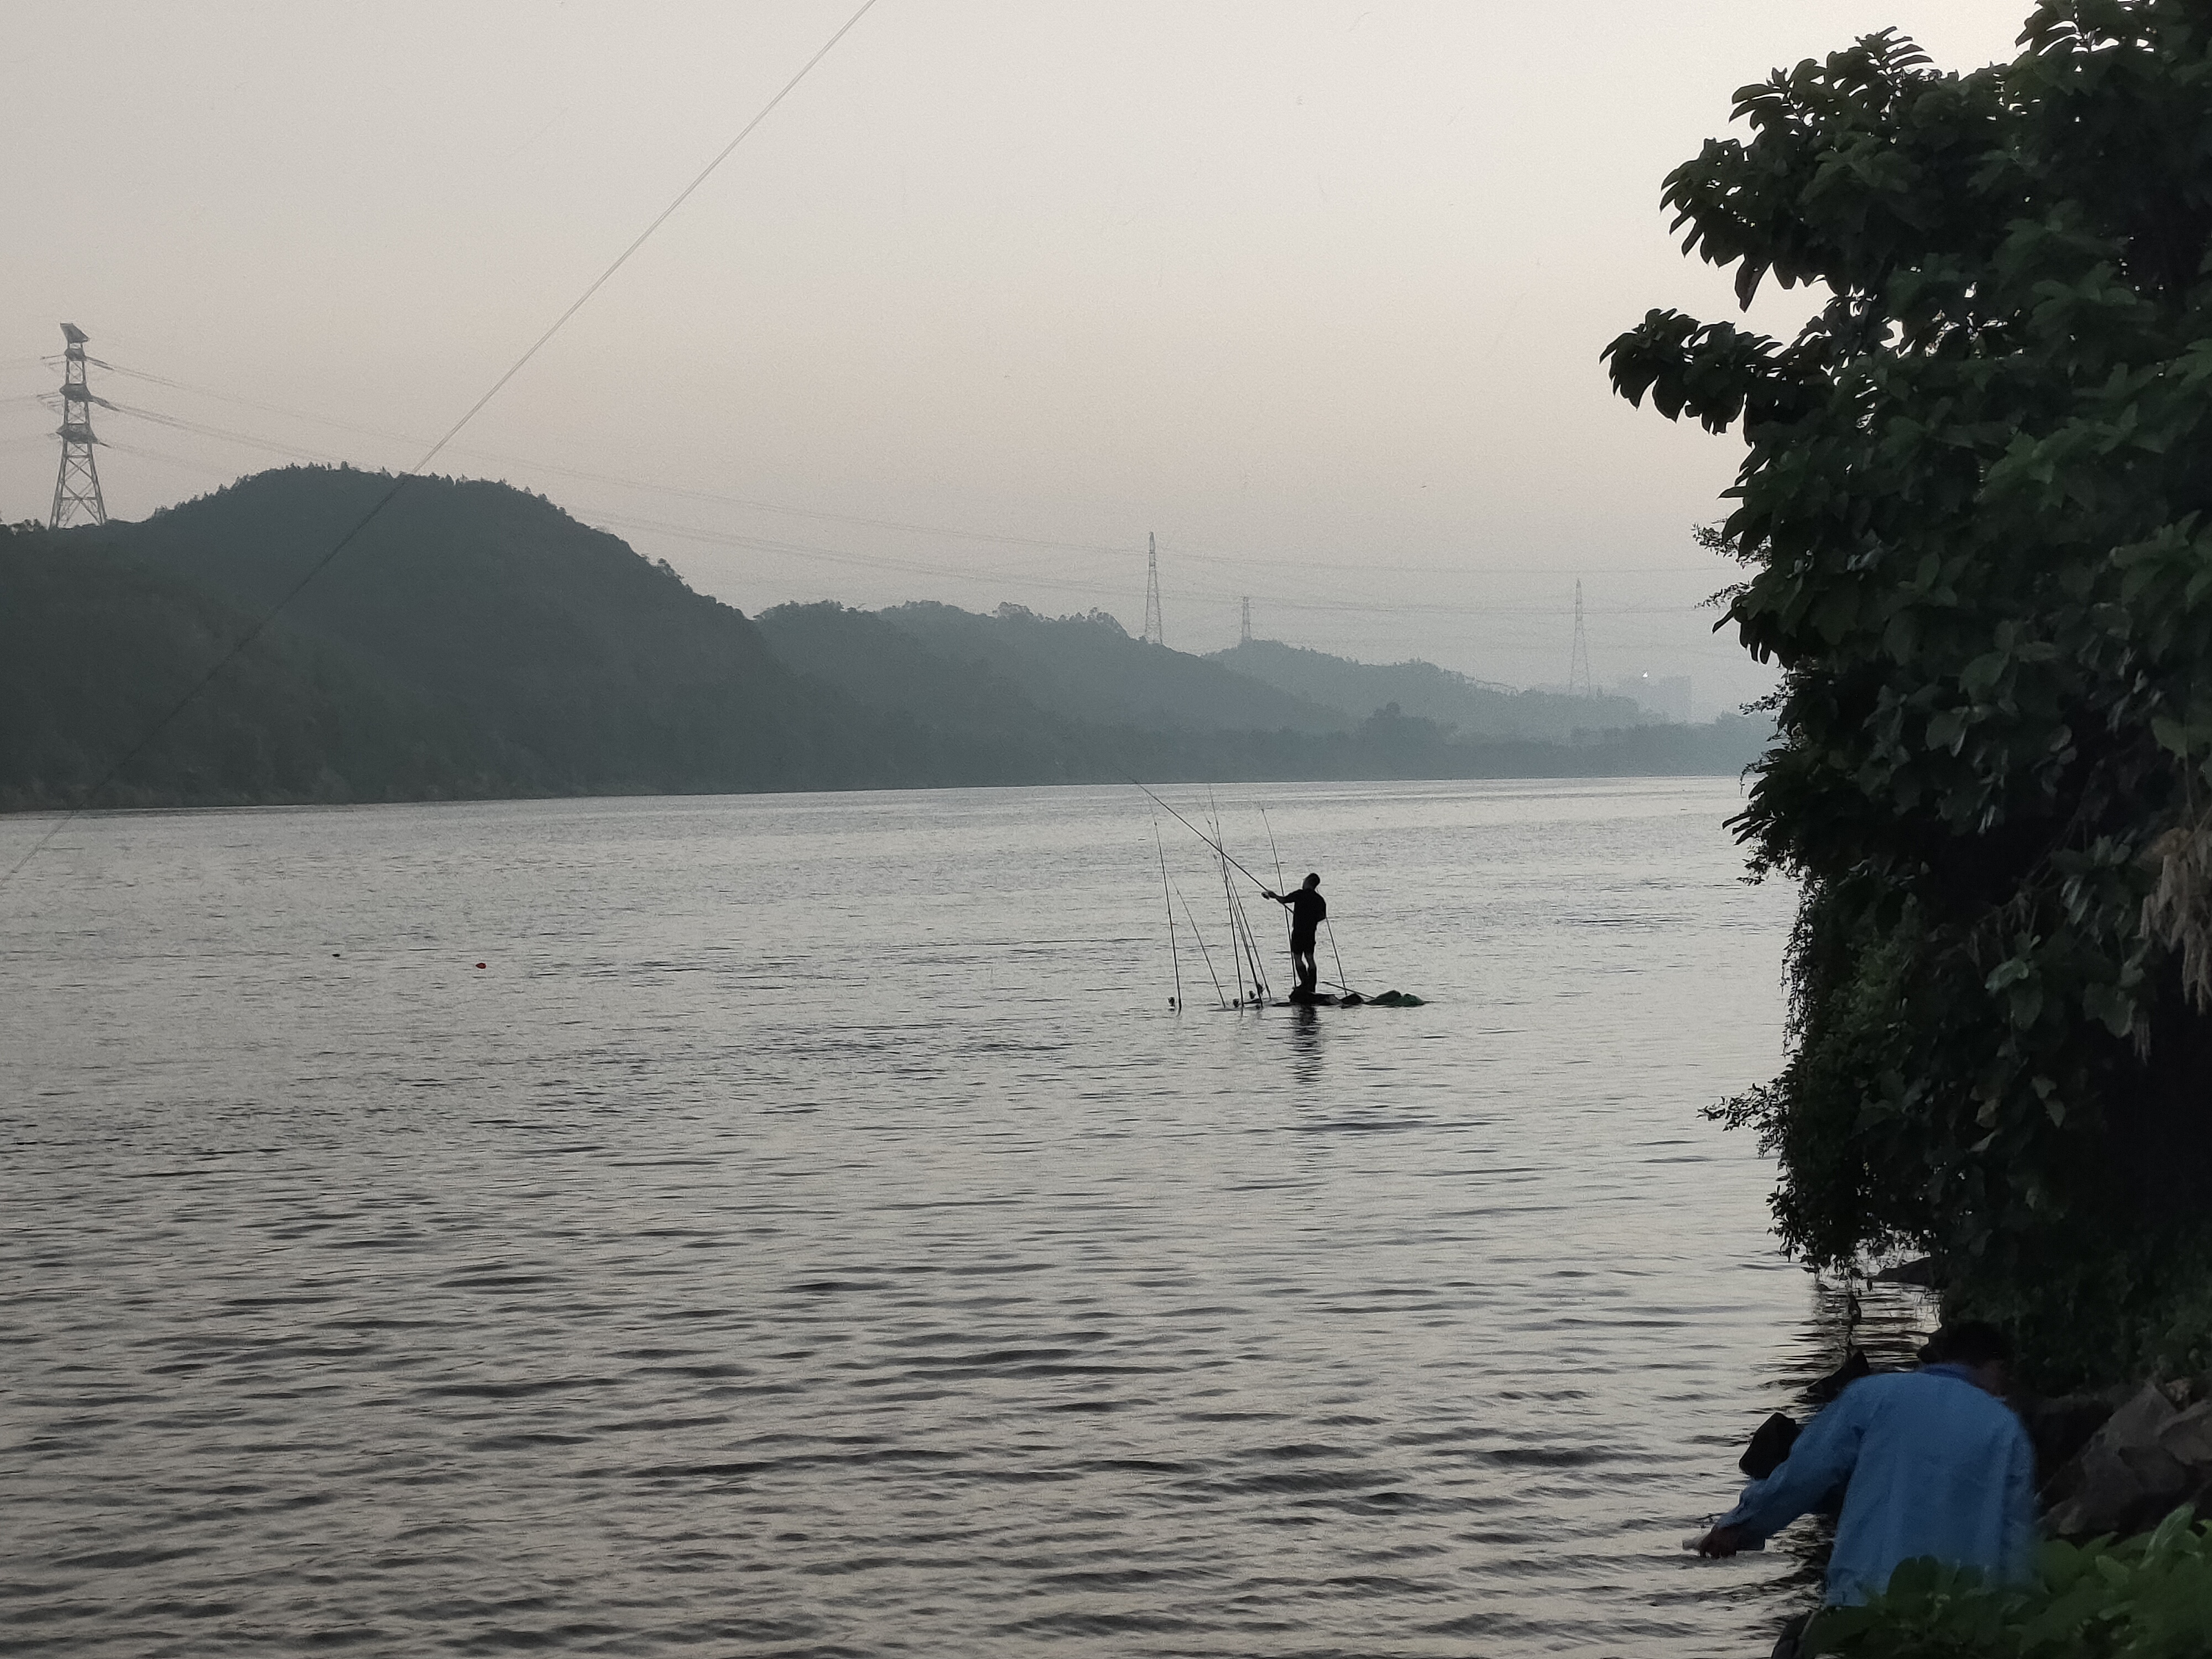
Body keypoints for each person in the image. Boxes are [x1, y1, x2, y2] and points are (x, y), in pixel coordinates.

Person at [1696, 1322, 2037, 1646]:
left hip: (1865, 1599)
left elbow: (1806, 1473)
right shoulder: (2007, 1429)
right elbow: (2015, 1537)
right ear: (1995, 1366)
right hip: (1959, 1618)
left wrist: (1741, 1524)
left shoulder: (1872, 1395)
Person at [1261, 872, 1326, 998]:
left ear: (1308, 882)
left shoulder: (1300, 894)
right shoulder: (1319, 899)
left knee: (1298, 957)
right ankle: (1312, 985)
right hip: (1311, 932)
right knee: (1310, 958)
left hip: (1299, 931)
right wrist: (1311, 920)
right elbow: (1322, 916)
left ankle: (1305, 983)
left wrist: (1274, 896)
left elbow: (1284, 900)